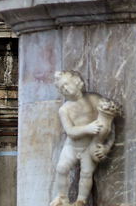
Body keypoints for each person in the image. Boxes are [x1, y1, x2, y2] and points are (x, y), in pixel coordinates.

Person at [51, 70, 117, 206]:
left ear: (77, 82)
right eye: (62, 88)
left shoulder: (94, 99)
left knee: (87, 173)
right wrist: (87, 128)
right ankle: (62, 197)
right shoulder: (65, 109)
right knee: (61, 168)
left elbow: (109, 127)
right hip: (72, 146)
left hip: (90, 146)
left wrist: (106, 147)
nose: (65, 89)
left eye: (66, 85)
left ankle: (81, 200)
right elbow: (70, 131)